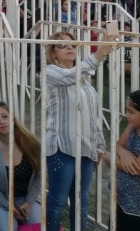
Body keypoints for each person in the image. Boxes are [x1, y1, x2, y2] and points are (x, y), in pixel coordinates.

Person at [44, 30, 115, 231]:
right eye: (62, 45)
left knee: (81, 202)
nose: (69, 47)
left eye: (73, 44)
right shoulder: (50, 72)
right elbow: (69, 77)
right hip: (62, 146)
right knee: (58, 201)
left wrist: (99, 145)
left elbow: (93, 114)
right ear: (53, 52)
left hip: (86, 147)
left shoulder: (85, 79)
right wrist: (100, 52)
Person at [0, 101, 43, 231]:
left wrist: (29, 202)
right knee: (7, 228)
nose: (2, 121)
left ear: (12, 118)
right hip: (1, 198)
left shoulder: (29, 141)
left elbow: (40, 175)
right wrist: (7, 204)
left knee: (38, 224)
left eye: (5, 116)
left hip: (28, 197)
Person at [111, 89, 140, 229]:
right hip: (121, 196)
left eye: (131, 112)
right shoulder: (133, 126)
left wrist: (110, 160)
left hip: (136, 206)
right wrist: (124, 153)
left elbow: (137, 169)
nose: (126, 115)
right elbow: (118, 145)